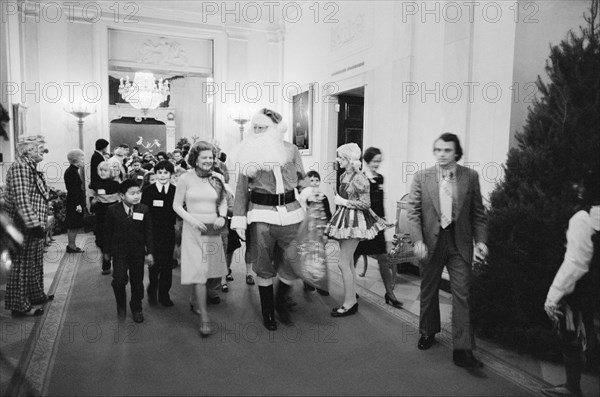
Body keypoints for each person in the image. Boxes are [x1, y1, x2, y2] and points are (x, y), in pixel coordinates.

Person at [406, 132, 487, 368]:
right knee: (428, 289)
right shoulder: (422, 177)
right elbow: (413, 213)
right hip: (431, 243)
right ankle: (428, 331)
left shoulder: (470, 177)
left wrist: (481, 241)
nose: (441, 154)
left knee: (463, 294)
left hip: (459, 243)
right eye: (438, 150)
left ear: (456, 153)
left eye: (447, 150)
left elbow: (479, 214)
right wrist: (418, 240)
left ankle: (463, 350)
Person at [232, 108, 307, 331]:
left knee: (295, 260)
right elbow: (241, 190)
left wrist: (310, 193)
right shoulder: (247, 154)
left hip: (292, 212)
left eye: (261, 128)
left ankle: (279, 300)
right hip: (261, 215)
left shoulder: (291, 150)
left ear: (274, 129)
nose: (256, 132)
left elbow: (302, 179)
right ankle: (268, 313)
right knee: (263, 265)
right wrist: (238, 219)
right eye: (254, 128)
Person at [541, 170, 599, 397]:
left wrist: (552, 296)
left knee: (572, 334)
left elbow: (575, 262)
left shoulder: (581, 218)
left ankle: (572, 387)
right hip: (594, 289)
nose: (575, 187)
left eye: (579, 183)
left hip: (580, 289)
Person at [173, 141, 228, 337]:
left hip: (212, 228)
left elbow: (223, 200)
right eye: (204, 157)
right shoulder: (185, 179)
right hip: (193, 229)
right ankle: (204, 317)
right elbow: (177, 205)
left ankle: (195, 300)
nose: (208, 161)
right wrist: (192, 220)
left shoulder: (217, 178)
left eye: (211, 157)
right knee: (200, 271)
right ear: (195, 159)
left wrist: (222, 216)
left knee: (210, 272)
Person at [325, 143, 386, 317]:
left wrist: (343, 202)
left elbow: (366, 204)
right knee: (349, 261)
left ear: (350, 160)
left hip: (355, 222)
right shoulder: (344, 175)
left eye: (341, 157)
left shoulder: (360, 178)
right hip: (345, 219)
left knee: (342, 262)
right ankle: (351, 299)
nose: (338, 160)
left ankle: (350, 302)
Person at [4, 135, 52, 317]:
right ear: (28, 150)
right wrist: (33, 224)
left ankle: (35, 295)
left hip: (33, 223)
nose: (44, 150)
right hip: (23, 225)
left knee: (34, 261)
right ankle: (19, 306)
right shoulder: (21, 167)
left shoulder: (30, 166)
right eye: (40, 147)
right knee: (21, 265)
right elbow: (21, 199)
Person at [353, 147, 403, 308]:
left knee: (383, 258)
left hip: (377, 226)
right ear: (367, 161)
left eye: (379, 161)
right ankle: (350, 288)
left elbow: (379, 204)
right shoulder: (359, 178)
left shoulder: (380, 179)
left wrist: (384, 221)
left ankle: (390, 293)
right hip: (363, 225)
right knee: (353, 258)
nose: (377, 164)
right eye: (374, 161)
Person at [103, 179, 154, 323]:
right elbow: (107, 232)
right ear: (122, 195)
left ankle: (136, 306)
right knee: (119, 280)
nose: (137, 196)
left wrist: (150, 252)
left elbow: (148, 232)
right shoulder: (112, 210)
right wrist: (106, 251)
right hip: (119, 252)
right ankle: (121, 303)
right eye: (132, 193)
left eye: (138, 193)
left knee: (137, 281)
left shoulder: (144, 209)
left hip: (137, 252)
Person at [141, 160, 177, 307]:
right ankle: (152, 289)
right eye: (160, 172)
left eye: (166, 173)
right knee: (154, 265)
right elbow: (143, 211)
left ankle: (164, 294)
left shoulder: (175, 190)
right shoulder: (148, 191)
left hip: (169, 232)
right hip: (152, 233)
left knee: (167, 265)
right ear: (155, 174)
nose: (162, 176)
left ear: (171, 174)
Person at [298, 170, 331, 296]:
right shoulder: (304, 197)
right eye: (311, 180)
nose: (314, 183)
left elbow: (328, 216)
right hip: (307, 233)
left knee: (320, 258)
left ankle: (322, 284)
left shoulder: (323, 197)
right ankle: (308, 282)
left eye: (317, 180)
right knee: (306, 257)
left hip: (320, 232)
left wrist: (327, 233)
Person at [90, 161, 121, 274]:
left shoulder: (116, 184)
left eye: (105, 170)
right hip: (100, 215)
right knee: (100, 239)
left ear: (110, 171)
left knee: (114, 238)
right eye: (101, 170)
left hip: (114, 215)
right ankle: (106, 255)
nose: (103, 172)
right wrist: (93, 201)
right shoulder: (95, 183)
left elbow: (121, 198)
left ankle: (111, 263)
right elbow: (92, 198)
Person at [64, 149, 86, 253]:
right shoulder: (72, 172)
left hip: (74, 201)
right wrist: (78, 204)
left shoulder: (73, 170)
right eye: (82, 159)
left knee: (75, 224)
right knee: (72, 224)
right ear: (75, 160)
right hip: (74, 202)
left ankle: (72, 245)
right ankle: (71, 246)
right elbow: (73, 190)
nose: (83, 161)